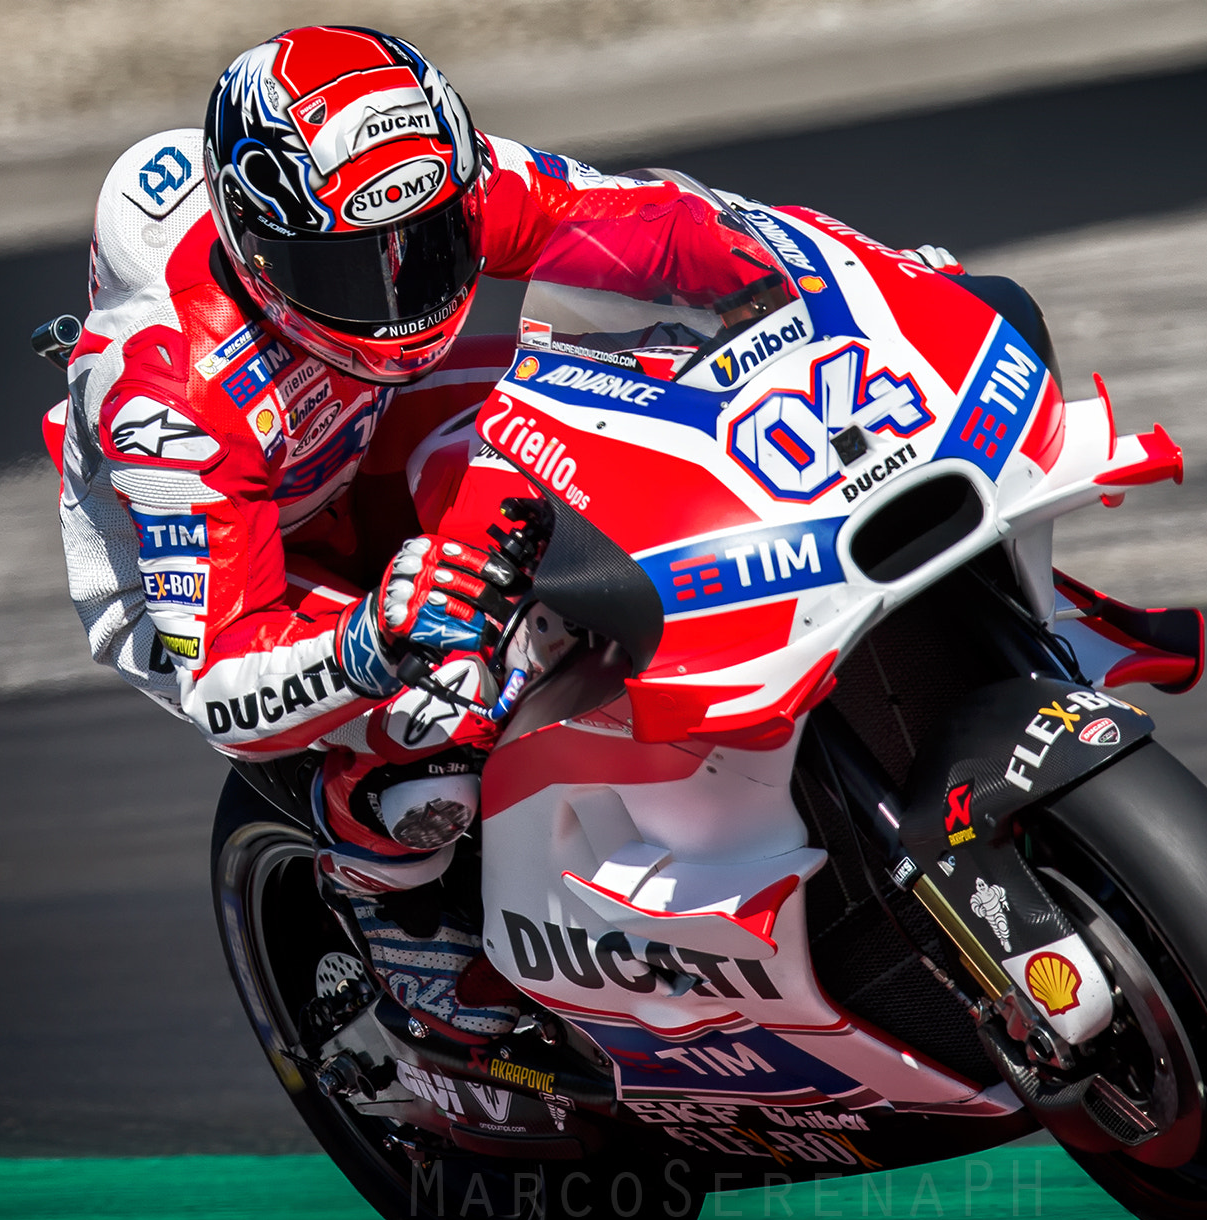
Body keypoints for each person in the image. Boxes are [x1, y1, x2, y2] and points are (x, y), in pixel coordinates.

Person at [48, 25, 962, 1043]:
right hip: (233, 567)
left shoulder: (457, 182)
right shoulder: (169, 389)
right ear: (260, 256)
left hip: (367, 429)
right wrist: (370, 641)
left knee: (617, 412)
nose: (400, 294)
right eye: (354, 271)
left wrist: (860, 281)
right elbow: (222, 682)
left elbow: (659, 229)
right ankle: (398, 923)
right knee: (437, 710)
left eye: (430, 245)